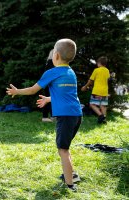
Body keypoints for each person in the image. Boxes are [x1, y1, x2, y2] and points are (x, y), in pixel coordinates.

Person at [6, 39, 82, 192]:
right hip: (76, 115)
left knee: (63, 150)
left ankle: (70, 185)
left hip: (66, 117)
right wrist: (48, 99)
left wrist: (17, 91)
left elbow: (33, 90)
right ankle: (70, 175)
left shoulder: (52, 72)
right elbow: (66, 95)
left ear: (56, 56)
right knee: (65, 148)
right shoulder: (70, 72)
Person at [81, 56, 110, 124]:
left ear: (99, 63)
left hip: (97, 91)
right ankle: (104, 119)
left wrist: (85, 87)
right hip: (104, 91)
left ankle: (100, 115)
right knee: (103, 105)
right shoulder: (107, 71)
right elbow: (107, 80)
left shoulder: (96, 70)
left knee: (92, 104)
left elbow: (91, 80)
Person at [42, 49, 54, 122]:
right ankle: (45, 117)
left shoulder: (48, 63)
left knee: (49, 99)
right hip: (50, 84)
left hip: (47, 84)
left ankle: (49, 116)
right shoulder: (52, 63)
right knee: (48, 99)